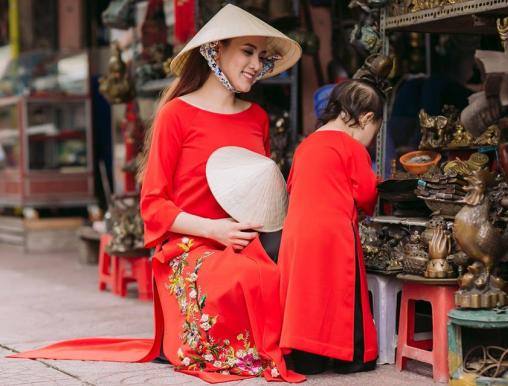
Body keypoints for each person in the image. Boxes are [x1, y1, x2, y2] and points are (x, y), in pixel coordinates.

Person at [9, 4, 304, 383]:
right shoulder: (176, 115)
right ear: (215, 50)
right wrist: (215, 231)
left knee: (283, 269)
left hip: (244, 239)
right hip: (190, 245)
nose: (255, 63)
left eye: (261, 56)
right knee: (241, 277)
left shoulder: (257, 117)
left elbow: (256, 194)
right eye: (247, 51)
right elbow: (153, 205)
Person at [278, 79, 384, 374]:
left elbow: (293, 186)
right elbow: (366, 195)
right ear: (366, 119)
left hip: (297, 232)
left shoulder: (305, 146)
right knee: (343, 294)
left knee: (304, 294)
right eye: (374, 132)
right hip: (333, 232)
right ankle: (351, 357)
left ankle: (304, 357)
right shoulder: (351, 148)